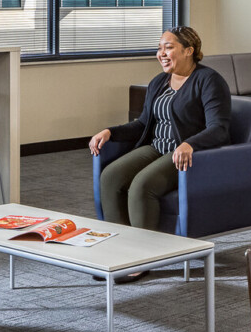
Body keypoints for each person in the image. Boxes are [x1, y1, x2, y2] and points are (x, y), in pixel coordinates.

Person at [89, 26, 231, 233]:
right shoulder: (158, 82)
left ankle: (144, 257)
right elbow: (142, 124)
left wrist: (190, 143)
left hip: (187, 154)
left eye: (168, 48)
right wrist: (110, 132)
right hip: (157, 147)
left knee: (141, 186)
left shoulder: (209, 80)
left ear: (188, 51)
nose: (161, 54)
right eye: (159, 48)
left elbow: (219, 128)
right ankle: (120, 246)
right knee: (110, 177)